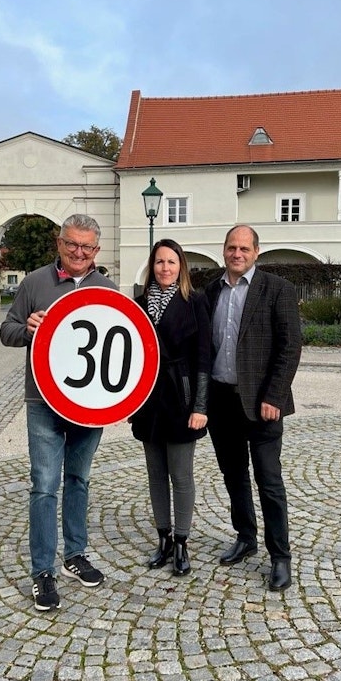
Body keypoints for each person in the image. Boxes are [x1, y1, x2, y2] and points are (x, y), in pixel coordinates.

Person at [0, 214, 117, 612]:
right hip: (44, 402)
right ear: (59, 243)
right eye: (72, 244)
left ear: (96, 251)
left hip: (90, 406)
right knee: (45, 485)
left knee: (79, 480)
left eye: (87, 247)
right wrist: (27, 329)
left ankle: (75, 555)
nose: (79, 253)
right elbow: (7, 331)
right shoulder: (34, 282)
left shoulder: (107, 288)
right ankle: (42, 571)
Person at [205, 225, 302, 590]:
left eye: (244, 248)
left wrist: (274, 397)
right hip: (222, 401)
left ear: (257, 252)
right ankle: (245, 537)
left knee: (269, 481)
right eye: (231, 247)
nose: (237, 254)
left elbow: (289, 347)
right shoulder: (212, 290)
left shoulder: (278, 289)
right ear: (224, 250)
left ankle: (280, 556)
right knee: (234, 477)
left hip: (262, 405)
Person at [130, 239, 212, 576]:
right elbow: (129, 357)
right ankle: (163, 538)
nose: (165, 268)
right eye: (160, 262)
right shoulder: (137, 304)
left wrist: (201, 404)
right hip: (148, 399)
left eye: (172, 262)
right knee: (155, 475)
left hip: (181, 397)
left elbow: (205, 356)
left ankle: (181, 542)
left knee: (180, 474)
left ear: (182, 267)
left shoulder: (195, 302)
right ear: (153, 266)